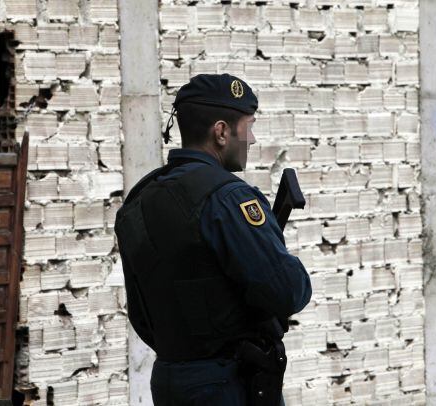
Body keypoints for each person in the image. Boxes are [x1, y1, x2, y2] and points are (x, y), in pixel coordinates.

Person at [115, 73, 312, 405]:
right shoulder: (228, 198)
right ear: (221, 132)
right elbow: (288, 292)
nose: (250, 139)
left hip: (171, 378)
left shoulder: (138, 200)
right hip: (226, 382)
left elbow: (141, 315)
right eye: (247, 127)